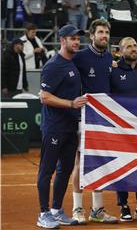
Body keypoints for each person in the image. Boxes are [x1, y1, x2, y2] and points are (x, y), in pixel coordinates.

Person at [36, 24, 87, 229]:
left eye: (77, 38)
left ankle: (56, 210)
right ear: (62, 41)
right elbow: (44, 96)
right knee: (47, 170)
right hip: (54, 127)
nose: (76, 42)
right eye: (72, 38)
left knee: (65, 170)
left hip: (70, 127)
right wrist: (71, 104)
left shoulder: (72, 63)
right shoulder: (54, 65)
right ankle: (43, 213)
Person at [71, 19, 117, 224]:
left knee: (101, 162)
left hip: (104, 119)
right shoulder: (79, 57)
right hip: (83, 117)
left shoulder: (109, 57)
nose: (104, 36)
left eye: (106, 32)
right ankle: (77, 208)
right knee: (80, 163)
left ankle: (97, 210)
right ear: (91, 35)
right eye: (100, 32)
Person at [110, 37, 137, 222]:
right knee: (124, 166)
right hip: (121, 128)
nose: (133, 49)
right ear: (120, 50)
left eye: (135, 45)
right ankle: (124, 205)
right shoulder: (113, 69)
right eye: (128, 46)